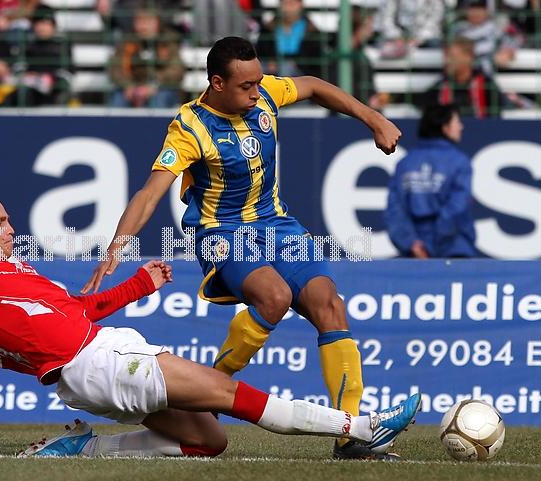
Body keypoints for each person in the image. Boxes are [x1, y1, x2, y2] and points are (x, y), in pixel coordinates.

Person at [0, 193, 420, 459]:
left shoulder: (20, 272)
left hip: (95, 360)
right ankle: (360, 428)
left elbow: (77, 312)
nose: (11, 227)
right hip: (96, 366)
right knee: (229, 395)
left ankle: (83, 451)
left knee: (208, 442)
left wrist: (138, 286)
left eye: (8, 220)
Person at [82, 36, 404, 460]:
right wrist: (116, 247)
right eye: (246, 86)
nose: (256, 92)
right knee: (275, 297)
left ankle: (351, 435)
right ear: (217, 83)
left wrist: (372, 118)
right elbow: (149, 193)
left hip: (276, 224)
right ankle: (208, 393)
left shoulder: (264, 93)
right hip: (222, 233)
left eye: (258, 82)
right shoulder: (190, 128)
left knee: (329, 303)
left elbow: (312, 85)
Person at [385, 104, 477, 259]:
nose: (461, 127)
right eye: (457, 122)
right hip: (454, 252)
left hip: (416, 255)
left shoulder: (405, 163)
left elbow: (395, 210)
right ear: (445, 127)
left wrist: (412, 244)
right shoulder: (459, 162)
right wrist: (431, 245)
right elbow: (458, 207)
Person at [108, 8, 184, 108]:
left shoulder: (168, 41)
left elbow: (176, 71)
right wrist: (128, 86)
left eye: (147, 21)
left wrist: (154, 85)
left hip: (161, 88)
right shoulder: (127, 40)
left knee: (160, 98)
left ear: (157, 23)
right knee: (118, 99)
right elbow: (115, 68)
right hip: (132, 88)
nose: (143, 26)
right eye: (139, 21)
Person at [421, 37, 503, 118]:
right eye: (446, 57)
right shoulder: (440, 86)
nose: (448, 61)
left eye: (452, 57)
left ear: (469, 57)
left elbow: (498, 115)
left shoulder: (486, 85)